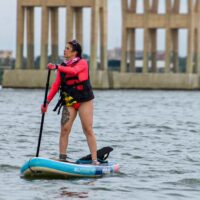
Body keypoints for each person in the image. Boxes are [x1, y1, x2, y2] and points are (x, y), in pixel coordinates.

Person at [41, 40, 99, 165]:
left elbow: (74, 71)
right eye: (65, 48)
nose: (64, 50)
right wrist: (46, 102)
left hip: (84, 101)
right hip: (69, 101)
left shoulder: (82, 63)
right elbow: (56, 85)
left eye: (67, 48)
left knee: (87, 129)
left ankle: (95, 160)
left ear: (75, 52)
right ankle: (62, 158)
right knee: (64, 129)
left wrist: (57, 67)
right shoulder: (63, 66)